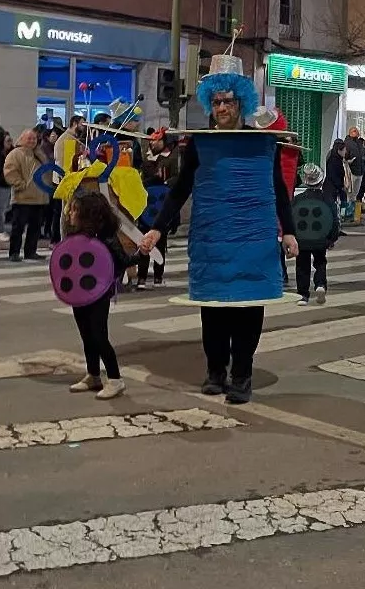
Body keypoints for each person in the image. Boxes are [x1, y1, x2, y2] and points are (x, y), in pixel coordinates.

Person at [142, 58, 299, 404]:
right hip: (211, 237)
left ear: (241, 102)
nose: (222, 108)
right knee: (212, 308)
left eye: (227, 101)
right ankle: (216, 371)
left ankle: (241, 375)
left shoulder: (264, 141)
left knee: (248, 309)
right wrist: (157, 229)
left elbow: (277, 187)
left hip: (254, 238)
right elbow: (181, 188)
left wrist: (288, 231)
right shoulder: (200, 142)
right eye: (216, 102)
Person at [63, 189, 135, 400]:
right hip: (78, 292)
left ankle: (115, 379)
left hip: (99, 293)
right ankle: (93, 375)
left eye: (74, 210)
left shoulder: (106, 237)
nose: (70, 213)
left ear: (88, 214)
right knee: (86, 335)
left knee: (99, 336)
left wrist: (142, 253)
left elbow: (123, 261)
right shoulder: (75, 235)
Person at [136, 129, 179, 288]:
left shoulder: (171, 158)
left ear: (164, 142)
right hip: (146, 205)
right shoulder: (146, 158)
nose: (153, 143)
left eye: (156, 140)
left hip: (163, 204)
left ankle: (158, 277)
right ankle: (141, 278)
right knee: (144, 242)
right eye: (152, 140)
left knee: (160, 243)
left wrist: (166, 184)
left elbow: (177, 178)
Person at [292, 163, 340, 305]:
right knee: (320, 262)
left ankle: (303, 295)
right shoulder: (327, 199)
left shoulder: (298, 199)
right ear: (321, 181)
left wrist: (292, 237)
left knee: (302, 266)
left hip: (302, 240)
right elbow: (334, 220)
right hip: (321, 239)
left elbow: (291, 219)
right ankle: (320, 284)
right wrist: (331, 239)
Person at [3, 128, 49, 262]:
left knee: (35, 228)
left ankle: (31, 251)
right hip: (22, 198)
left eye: (34, 138)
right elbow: (10, 172)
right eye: (29, 138)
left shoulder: (39, 154)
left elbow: (47, 171)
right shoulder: (15, 154)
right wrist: (20, 184)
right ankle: (14, 252)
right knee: (18, 227)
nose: (32, 141)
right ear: (22, 139)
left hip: (39, 198)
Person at [325, 138, 349, 215]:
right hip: (332, 186)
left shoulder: (335, 157)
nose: (346, 152)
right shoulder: (334, 160)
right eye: (344, 150)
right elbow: (334, 176)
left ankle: (342, 214)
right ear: (339, 150)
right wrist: (341, 186)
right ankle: (340, 215)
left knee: (343, 198)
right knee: (333, 205)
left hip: (334, 185)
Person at [345, 126, 365, 201]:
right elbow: (345, 156)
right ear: (351, 132)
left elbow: (363, 154)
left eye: (357, 131)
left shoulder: (359, 142)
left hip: (360, 171)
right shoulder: (347, 143)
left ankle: (353, 206)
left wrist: (364, 158)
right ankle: (348, 206)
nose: (357, 132)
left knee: (355, 193)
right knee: (349, 192)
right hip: (351, 171)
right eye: (355, 131)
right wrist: (349, 161)